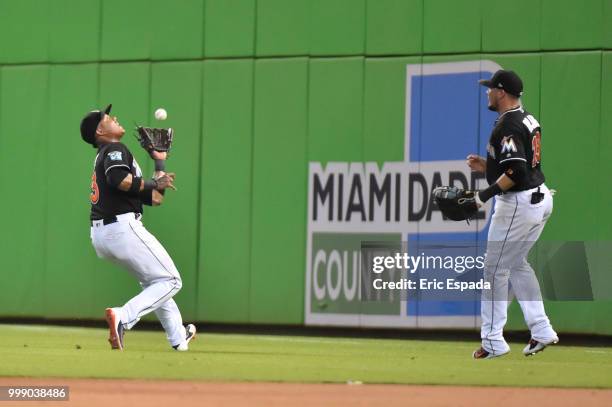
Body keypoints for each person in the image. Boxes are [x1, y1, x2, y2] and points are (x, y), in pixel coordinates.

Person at [80, 104, 196, 351]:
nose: (115, 118)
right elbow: (119, 180)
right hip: (121, 228)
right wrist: (155, 180)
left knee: (154, 282)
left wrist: (160, 163)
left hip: (105, 234)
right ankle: (123, 316)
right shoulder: (113, 148)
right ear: (101, 130)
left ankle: (178, 338)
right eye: (109, 117)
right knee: (172, 280)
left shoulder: (109, 153)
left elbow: (155, 198)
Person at [467, 70, 558, 359]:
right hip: (539, 198)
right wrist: (489, 167)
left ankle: (493, 341)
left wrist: (482, 195)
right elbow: (518, 166)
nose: (487, 92)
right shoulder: (525, 117)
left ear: (502, 92)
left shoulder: (506, 126)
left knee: (494, 270)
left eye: (490, 88)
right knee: (517, 264)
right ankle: (542, 329)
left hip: (518, 203)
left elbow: (516, 172)